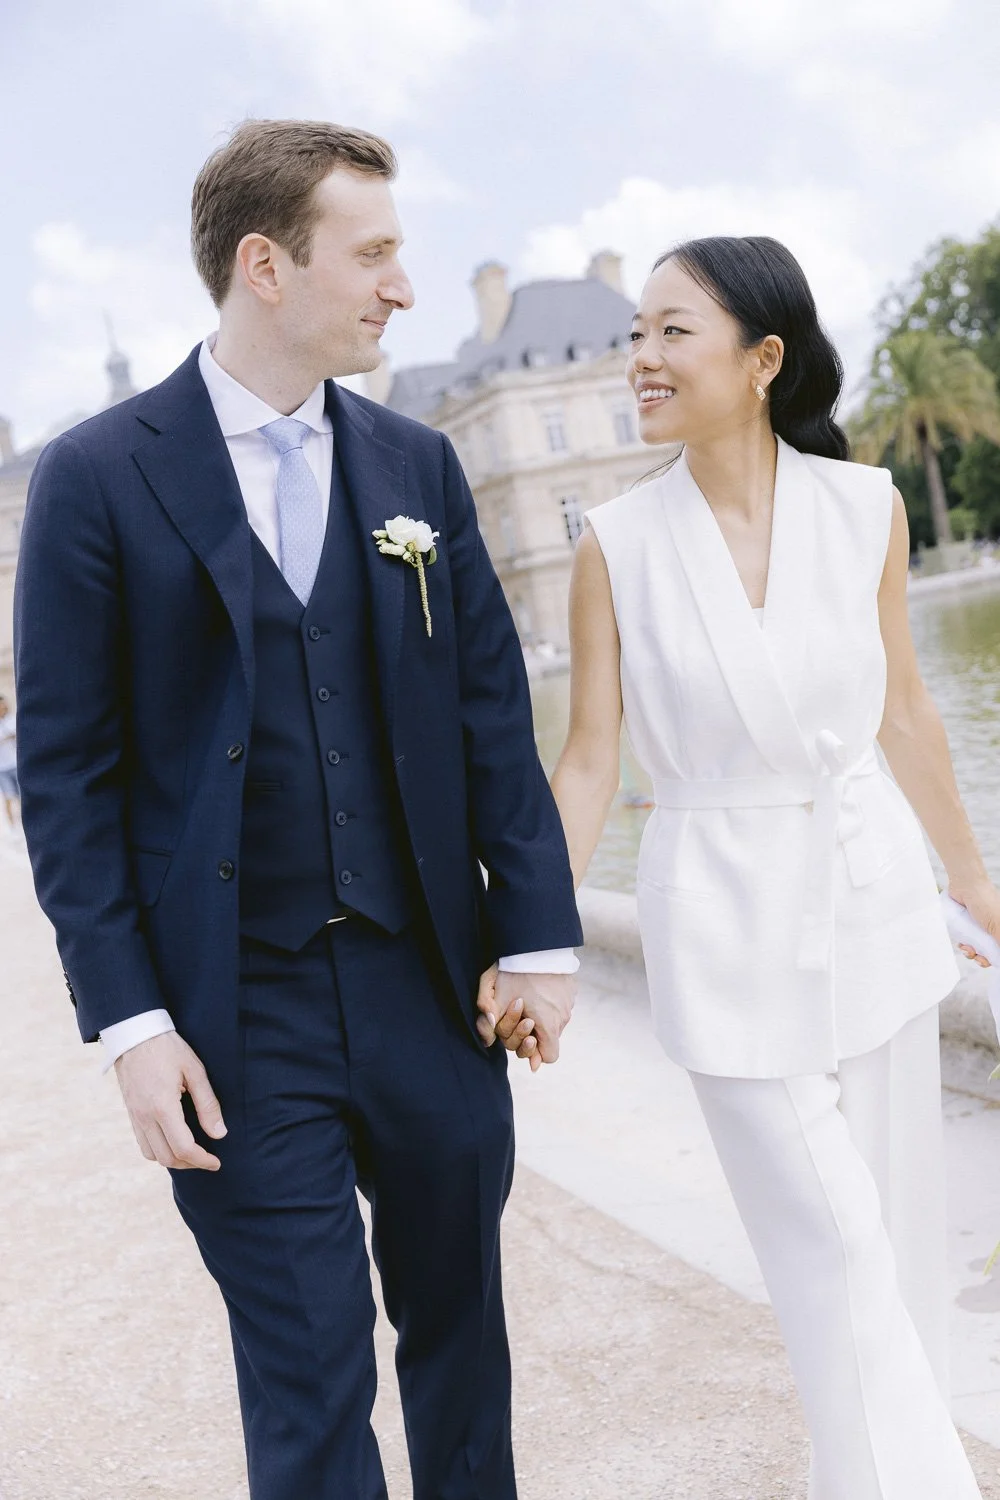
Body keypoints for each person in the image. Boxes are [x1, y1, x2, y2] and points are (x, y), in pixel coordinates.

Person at [14, 118, 581, 1500]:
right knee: (310, 1369)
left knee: (462, 1343)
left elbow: (490, 715)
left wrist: (546, 940)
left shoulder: (415, 468)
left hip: (429, 993)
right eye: (374, 253)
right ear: (265, 265)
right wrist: (133, 1028)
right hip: (231, 1014)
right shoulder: (95, 477)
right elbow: (68, 780)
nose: (402, 286)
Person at [533, 235, 1000, 1498]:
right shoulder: (614, 543)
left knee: (892, 1245)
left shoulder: (867, 508)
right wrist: (532, 940)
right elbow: (586, 760)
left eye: (671, 331)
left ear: (762, 358)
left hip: (876, 902)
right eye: (636, 332)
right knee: (831, 1241)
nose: (638, 357)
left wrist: (973, 880)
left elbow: (905, 710)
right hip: (720, 923)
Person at [0, 696, 19, 831]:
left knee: (21, 796)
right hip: (2, 768)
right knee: (8, 796)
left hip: (16, 764)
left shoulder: (12, 720)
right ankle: (12, 827)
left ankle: (24, 823)